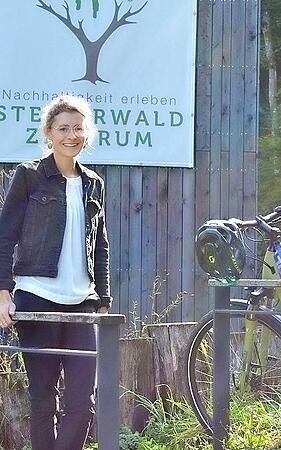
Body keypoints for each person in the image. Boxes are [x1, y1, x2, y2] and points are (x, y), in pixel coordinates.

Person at [0, 95, 111, 449]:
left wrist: (103, 299)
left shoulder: (94, 182)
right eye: (63, 128)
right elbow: (5, 237)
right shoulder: (29, 176)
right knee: (43, 399)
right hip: (37, 299)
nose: (71, 135)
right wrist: (3, 293)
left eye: (78, 128)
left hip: (82, 303)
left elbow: (102, 245)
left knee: (83, 402)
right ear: (49, 133)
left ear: (87, 133)